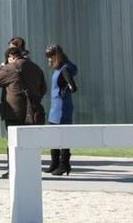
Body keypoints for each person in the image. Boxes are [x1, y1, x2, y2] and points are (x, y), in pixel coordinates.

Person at [0, 44, 47, 179]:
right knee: (30, 142)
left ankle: (14, 170)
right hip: (33, 111)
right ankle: (30, 170)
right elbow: (43, 88)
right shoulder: (35, 67)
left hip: (14, 111)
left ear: (11, 57)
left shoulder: (10, 68)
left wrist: (3, 66)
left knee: (13, 143)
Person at [44, 44, 79, 176]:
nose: (49, 59)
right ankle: (54, 163)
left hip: (62, 107)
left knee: (63, 136)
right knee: (53, 135)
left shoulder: (65, 69)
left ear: (56, 55)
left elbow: (73, 87)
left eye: (50, 56)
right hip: (55, 106)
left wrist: (66, 89)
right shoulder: (59, 68)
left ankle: (64, 164)